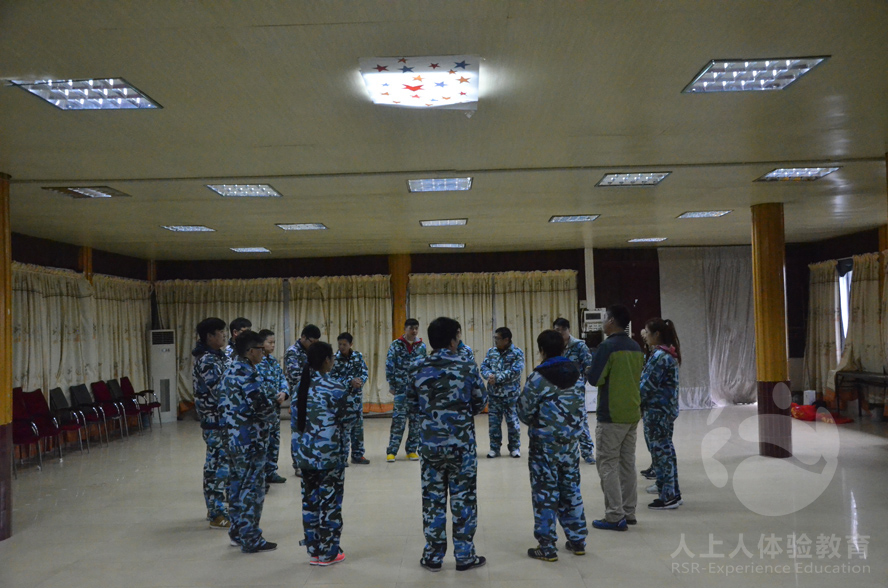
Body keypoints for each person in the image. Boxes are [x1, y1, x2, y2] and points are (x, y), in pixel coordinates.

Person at [407, 317, 487, 572]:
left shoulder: (417, 366)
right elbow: (479, 402)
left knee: (433, 501)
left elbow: (411, 404)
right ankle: (464, 556)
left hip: (430, 445)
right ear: (453, 340)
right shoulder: (467, 365)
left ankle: (433, 557)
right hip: (461, 445)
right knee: (464, 501)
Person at [518, 329, 587, 561]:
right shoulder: (577, 374)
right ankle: (578, 541)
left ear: (542, 350)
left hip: (544, 446)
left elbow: (524, 412)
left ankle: (547, 547)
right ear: (564, 348)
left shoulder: (538, 377)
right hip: (570, 444)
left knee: (545, 493)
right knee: (571, 490)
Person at [293, 341, 358, 566]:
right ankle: (329, 552)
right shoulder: (335, 387)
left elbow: (296, 421)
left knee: (310, 503)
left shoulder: (301, 386)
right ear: (327, 361)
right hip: (329, 456)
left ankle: (314, 550)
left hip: (305, 454)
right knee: (330, 503)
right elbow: (349, 419)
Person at [218, 331, 279, 553]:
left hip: (232, 439)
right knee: (252, 489)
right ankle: (251, 538)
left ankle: (237, 533)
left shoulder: (230, 369)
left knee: (236, 485)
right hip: (249, 440)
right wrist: (273, 417)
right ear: (251, 351)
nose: (263, 353)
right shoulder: (247, 373)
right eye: (261, 349)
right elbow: (260, 406)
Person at [585, 305, 644, 531]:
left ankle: (614, 515)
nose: (603, 322)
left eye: (604, 318)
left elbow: (595, 379)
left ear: (611, 321)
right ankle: (629, 512)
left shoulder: (607, 347)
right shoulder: (636, 346)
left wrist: (589, 369)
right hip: (631, 412)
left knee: (607, 463)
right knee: (627, 463)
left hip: (611, 415)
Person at [192, 317, 233, 530]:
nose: (224, 335)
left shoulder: (221, 356)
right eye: (220, 332)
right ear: (209, 336)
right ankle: (216, 513)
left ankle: (217, 508)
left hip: (224, 420)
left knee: (222, 465)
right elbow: (221, 391)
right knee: (217, 467)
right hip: (214, 421)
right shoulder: (207, 360)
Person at [639, 318, 682, 510]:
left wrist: (633, 400)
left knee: (661, 452)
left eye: (648, 333)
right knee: (665, 451)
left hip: (658, 411)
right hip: (662, 410)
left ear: (657, 334)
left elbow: (647, 386)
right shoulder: (665, 354)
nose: (645, 337)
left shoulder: (660, 357)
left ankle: (668, 497)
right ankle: (670, 491)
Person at [553, 318, 596, 464]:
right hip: (558, 390)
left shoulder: (579, 346)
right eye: (556, 331)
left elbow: (589, 367)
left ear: (568, 330)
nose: (559, 333)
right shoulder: (554, 346)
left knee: (580, 421)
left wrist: (580, 383)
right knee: (560, 421)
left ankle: (587, 452)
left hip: (575, 391)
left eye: (561, 330)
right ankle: (563, 453)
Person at [385, 318, 427, 463]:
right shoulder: (396, 345)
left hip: (416, 391)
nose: (414, 331)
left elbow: (424, 367)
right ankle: (392, 451)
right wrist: (392, 385)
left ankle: (411, 450)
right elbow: (389, 365)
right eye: (411, 328)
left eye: (416, 328)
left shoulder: (421, 346)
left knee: (415, 422)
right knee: (398, 421)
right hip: (401, 389)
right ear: (405, 329)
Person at [480, 327, 525, 458]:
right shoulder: (491, 352)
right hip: (494, 395)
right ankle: (494, 448)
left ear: (506, 339)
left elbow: (516, 371)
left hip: (511, 395)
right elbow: (484, 366)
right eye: (495, 338)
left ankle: (514, 448)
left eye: (497, 338)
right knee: (494, 424)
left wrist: (497, 378)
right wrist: (488, 375)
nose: (495, 340)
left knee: (513, 423)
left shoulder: (517, 353)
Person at [285, 324, 321, 475]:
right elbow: (294, 376)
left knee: (312, 430)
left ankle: (311, 460)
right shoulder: (292, 352)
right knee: (298, 431)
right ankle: (298, 464)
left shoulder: (313, 351)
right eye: (312, 342)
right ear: (303, 337)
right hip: (299, 396)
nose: (313, 345)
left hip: (313, 397)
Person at [330, 332, 370, 465]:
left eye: (344, 344)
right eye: (340, 344)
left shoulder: (358, 356)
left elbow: (364, 372)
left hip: (356, 399)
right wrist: (349, 382)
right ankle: (342, 457)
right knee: (343, 430)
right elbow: (332, 378)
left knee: (358, 428)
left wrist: (360, 381)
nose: (342, 347)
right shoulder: (334, 359)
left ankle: (358, 455)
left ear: (351, 344)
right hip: (342, 400)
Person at [255, 329, 288, 485]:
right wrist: (273, 396)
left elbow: (282, 378)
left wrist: (284, 392)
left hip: (275, 409)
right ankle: (260, 474)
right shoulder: (256, 362)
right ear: (261, 344)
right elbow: (258, 385)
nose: (273, 345)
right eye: (270, 342)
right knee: (262, 442)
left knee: (274, 440)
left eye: (274, 342)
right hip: (263, 410)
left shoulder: (273, 361)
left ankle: (271, 471)